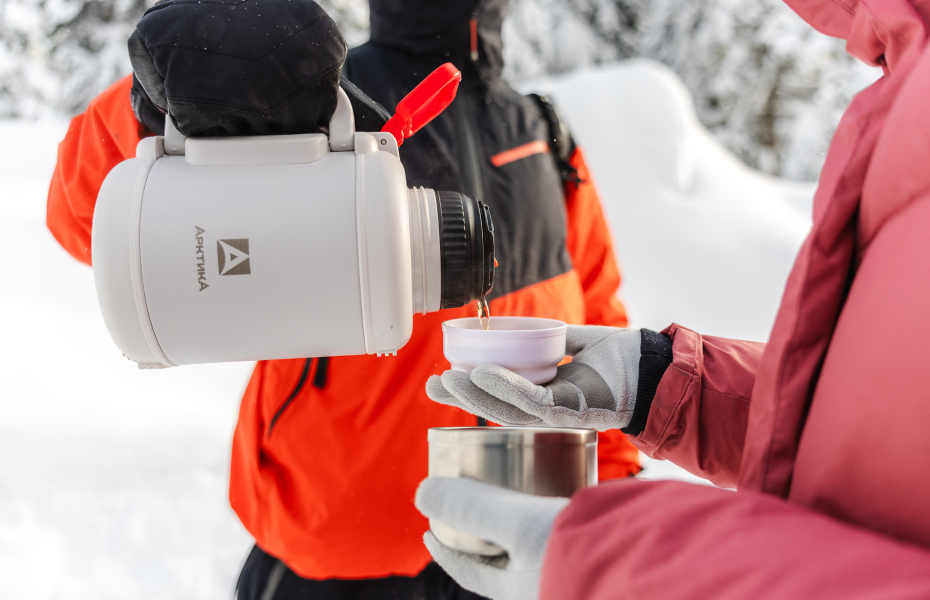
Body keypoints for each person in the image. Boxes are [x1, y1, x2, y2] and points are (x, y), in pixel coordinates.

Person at [45, 0, 640, 597]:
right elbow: (92, 215)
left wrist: (608, 497)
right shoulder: (310, 99)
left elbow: (597, 322)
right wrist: (160, 106)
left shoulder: (540, 132)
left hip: (515, 554)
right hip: (331, 559)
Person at [417, 0, 930, 598]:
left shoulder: (536, 130)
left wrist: (604, 566)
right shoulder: (908, 78)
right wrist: (663, 382)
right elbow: (879, 428)